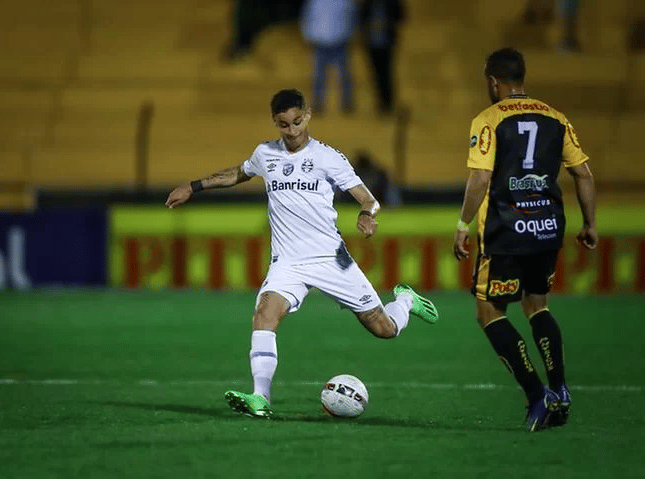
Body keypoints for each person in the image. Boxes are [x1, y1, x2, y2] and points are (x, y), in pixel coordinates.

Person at [166, 88, 439, 418]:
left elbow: (368, 198)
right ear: (275, 123)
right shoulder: (265, 154)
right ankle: (261, 398)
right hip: (289, 263)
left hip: (331, 258)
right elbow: (238, 173)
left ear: (307, 115)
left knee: (384, 329)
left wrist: (367, 215)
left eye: (297, 122)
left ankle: (405, 299)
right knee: (264, 315)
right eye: (284, 125)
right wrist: (193, 187)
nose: (292, 131)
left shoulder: (328, 157)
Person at [453, 48, 597, 431]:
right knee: (537, 304)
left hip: (506, 231)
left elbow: (481, 178)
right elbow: (583, 173)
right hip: (547, 228)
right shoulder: (556, 117)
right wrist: (589, 223)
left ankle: (537, 396)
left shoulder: (488, 120)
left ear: (494, 81)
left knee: (488, 311)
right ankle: (560, 388)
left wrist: (463, 224)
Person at [300, 0, 357, 114]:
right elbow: (306, 19)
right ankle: (318, 104)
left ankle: (347, 103)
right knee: (319, 76)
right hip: (320, 43)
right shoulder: (315, 3)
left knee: (344, 75)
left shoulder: (346, 2)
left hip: (341, 42)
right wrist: (307, 37)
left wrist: (352, 36)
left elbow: (353, 20)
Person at [359, 0, 406, 116]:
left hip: (387, 43)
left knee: (387, 73)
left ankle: (388, 103)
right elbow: (361, 19)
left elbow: (401, 16)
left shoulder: (391, 3)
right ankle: (381, 102)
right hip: (372, 44)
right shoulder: (367, 3)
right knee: (376, 73)